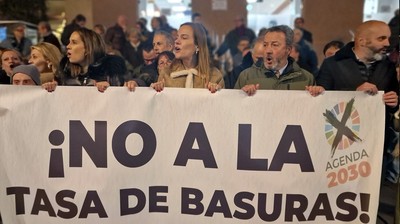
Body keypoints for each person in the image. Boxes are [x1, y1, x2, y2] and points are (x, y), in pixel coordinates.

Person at [306, 20, 399, 185]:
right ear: (362, 41)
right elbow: (321, 103)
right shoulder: (333, 64)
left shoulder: (388, 66)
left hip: (375, 143)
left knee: (371, 187)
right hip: (340, 144)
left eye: (388, 38)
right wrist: (354, 96)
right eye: (381, 38)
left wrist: (394, 103)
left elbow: (394, 99)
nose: (387, 43)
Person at [235, 25, 314, 95]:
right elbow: (234, 106)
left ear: (288, 50)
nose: (268, 50)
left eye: (274, 45)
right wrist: (242, 94)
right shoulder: (246, 77)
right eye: (265, 45)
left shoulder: (306, 78)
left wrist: (320, 94)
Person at [43, 28, 126, 93]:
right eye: (69, 42)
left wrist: (110, 88)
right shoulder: (64, 72)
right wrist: (53, 87)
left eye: (74, 42)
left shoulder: (112, 69)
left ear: (88, 48)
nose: (68, 46)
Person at [151, 22, 224, 93]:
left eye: (184, 37)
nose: (176, 41)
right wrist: (156, 90)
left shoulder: (214, 76)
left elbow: (221, 103)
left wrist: (217, 93)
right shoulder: (166, 74)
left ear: (197, 45)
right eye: (177, 37)